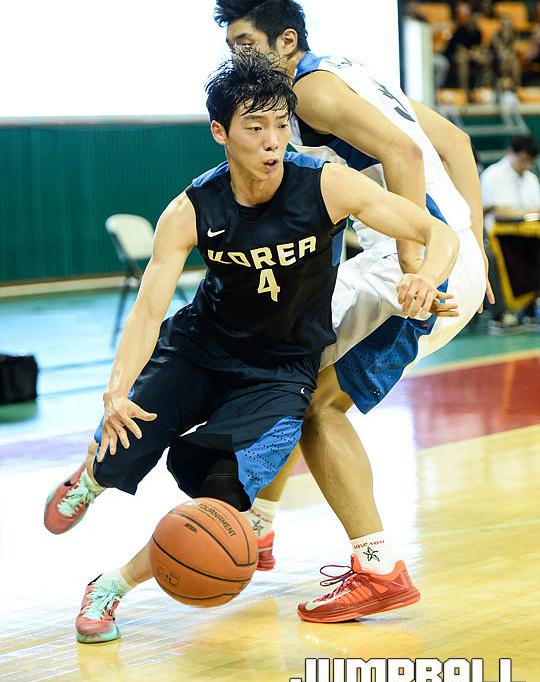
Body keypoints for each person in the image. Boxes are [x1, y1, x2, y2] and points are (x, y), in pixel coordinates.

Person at [45, 48, 459, 642]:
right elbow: (148, 311)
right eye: (255, 127)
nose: (272, 141)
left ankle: (110, 586)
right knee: (122, 447)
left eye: (281, 125)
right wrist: (116, 390)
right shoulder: (192, 208)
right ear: (220, 132)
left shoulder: (326, 185)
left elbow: (436, 232)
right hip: (199, 350)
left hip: (279, 373)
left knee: (223, 502)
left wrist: (425, 275)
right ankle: (89, 480)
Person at [212, 0, 490, 622]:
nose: (240, 61)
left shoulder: (309, 92)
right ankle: (259, 527)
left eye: (247, 46)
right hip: (440, 255)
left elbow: (406, 154)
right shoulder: (351, 69)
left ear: (286, 42)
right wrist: (470, 246)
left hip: (413, 266)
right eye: (231, 50)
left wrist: (419, 266)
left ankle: (377, 569)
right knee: (294, 373)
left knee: (312, 403)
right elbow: (456, 142)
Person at [481, 135, 540, 332]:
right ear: (510, 153)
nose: (526, 165)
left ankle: (530, 310)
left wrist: (519, 212)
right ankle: (500, 314)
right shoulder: (493, 175)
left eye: (529, 161)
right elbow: (499, 211)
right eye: (522, 159)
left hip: (527, 234)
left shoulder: (531, 179)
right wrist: (524, 212)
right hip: (497, 236)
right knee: (498, 256)